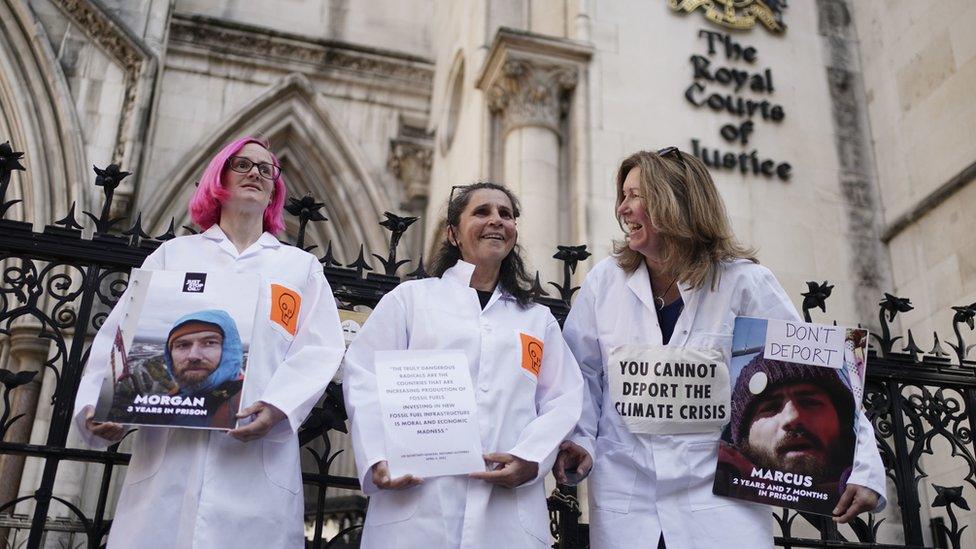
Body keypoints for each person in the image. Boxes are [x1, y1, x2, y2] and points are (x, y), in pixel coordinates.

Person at [554, 149, 887, 548]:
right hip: (628, 493)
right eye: (622, 196)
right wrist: (580, 439)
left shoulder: (744, 282)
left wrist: (864, 466)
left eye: (635, 195)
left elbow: (814, 368)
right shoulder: (603, 282)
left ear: (676, 201)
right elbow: (581, 374)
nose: (622, 208)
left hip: (718, 500)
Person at [73, 136, 345, 548]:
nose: (255, 172)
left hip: (254, 464)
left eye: (266, 169)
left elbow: (321, 349)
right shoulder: (173, 257)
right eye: (242, 165)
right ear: (219, 177)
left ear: (274, 189)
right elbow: (120, 338)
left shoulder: (299, 268)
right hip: (169, 465)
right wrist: (99, 408)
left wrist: (277, 408)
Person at [342, 182, 584, 548]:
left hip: (506, 513)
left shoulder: (538, 320)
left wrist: (530, 459)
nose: (496, 221)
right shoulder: (411, 300)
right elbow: (363, 376)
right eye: (482, 212)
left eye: (506, 214)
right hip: (417, 504)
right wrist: (375, 455)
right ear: (453, 233)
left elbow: (563, 398)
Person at [164, 310, 245, 427]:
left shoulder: (255, 402)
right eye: (183, 345)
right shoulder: (166, 403)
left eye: (209, 343)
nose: (193, 356)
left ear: (230, 349)